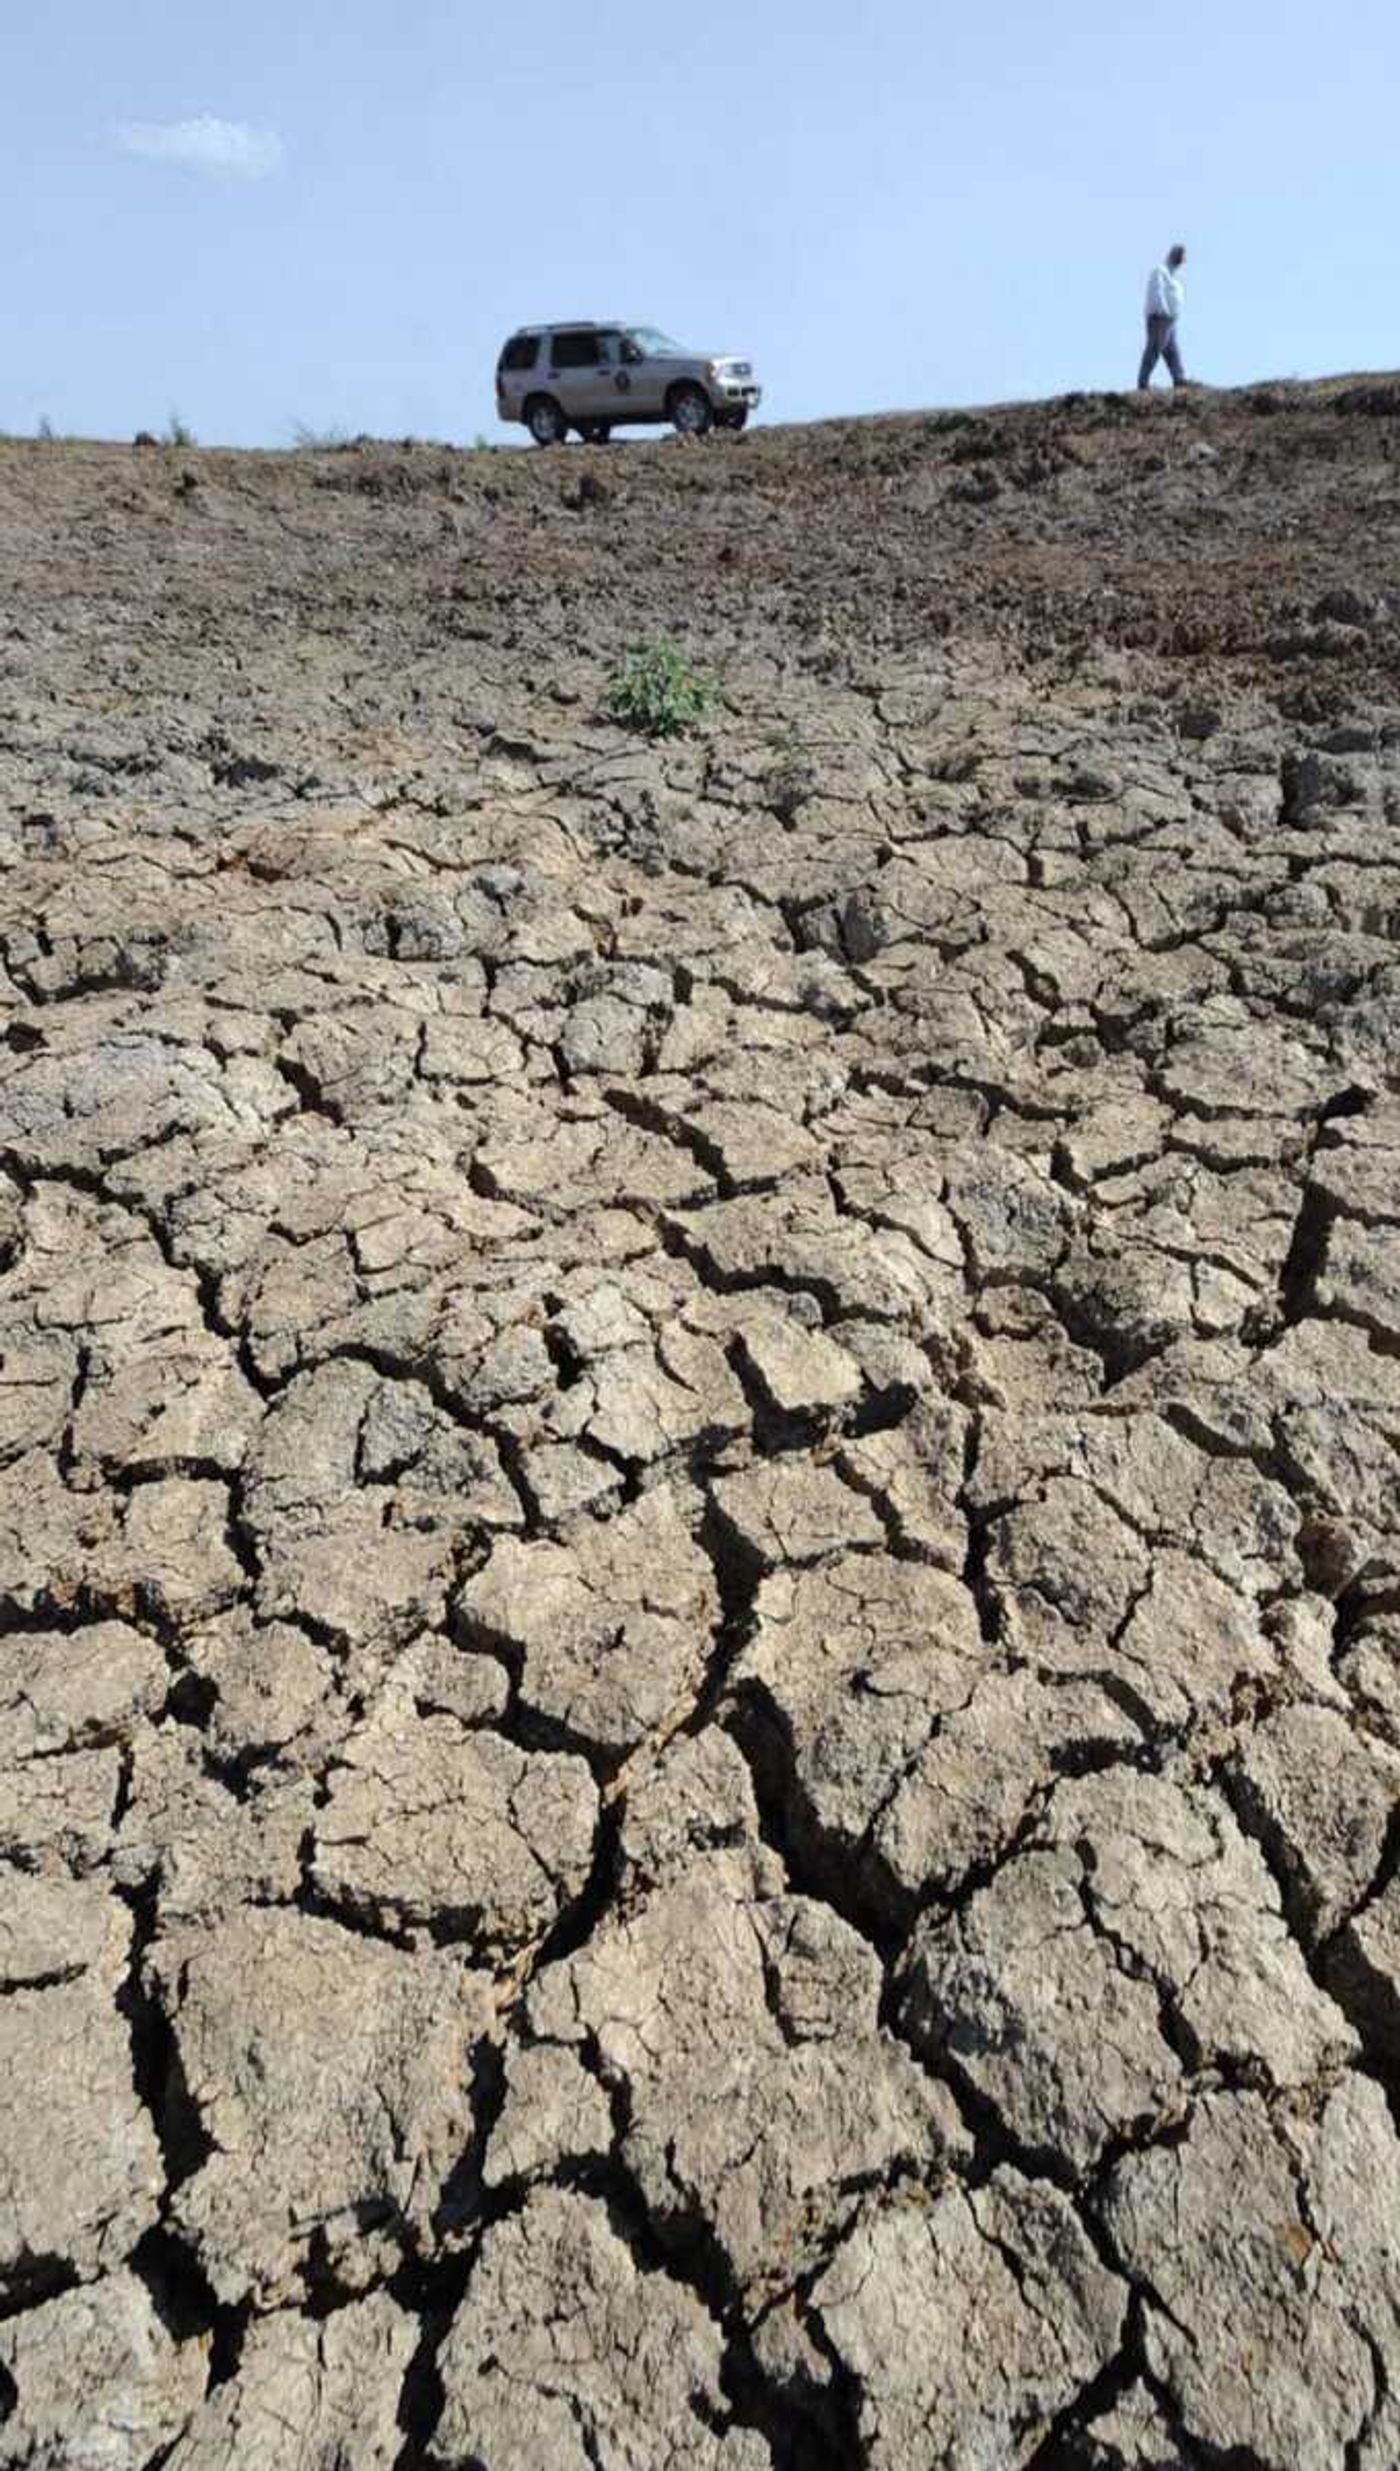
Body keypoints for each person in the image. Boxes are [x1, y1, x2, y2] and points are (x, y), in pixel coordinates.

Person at [1138, 245, 1187, 389]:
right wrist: (1162, 311)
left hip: (1171, 320)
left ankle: (1180, 379)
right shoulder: (1160, 271)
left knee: (1172, 351)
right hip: (1159, 318)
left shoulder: (1175, 277)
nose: (1182, 260)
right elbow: (1157, 291)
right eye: (1181, 256)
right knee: (1154, 349)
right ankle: (1143, 382)